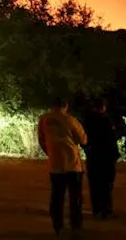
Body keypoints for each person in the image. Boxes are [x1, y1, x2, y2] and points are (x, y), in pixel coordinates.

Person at [38, 97, 88, 236]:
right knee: (75, 197)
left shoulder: (44, 120)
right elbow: (83, 139)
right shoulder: (71, 120)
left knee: (57, 196)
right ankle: (76, 226)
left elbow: (41, 140)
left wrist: (51, 153)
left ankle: (57, 225)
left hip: (55, 164)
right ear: (65, 106)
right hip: (72, 164)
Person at [82, 97, 119, 220]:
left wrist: (87, 150)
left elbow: (83, 139)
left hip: (93, 156)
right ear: (103, 107)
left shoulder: (87, 121)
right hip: (106, 157)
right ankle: (106, 210)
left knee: (94, 184)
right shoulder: (107, 120)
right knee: (106, 184)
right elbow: (112, 139)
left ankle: (96, 209)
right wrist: (115, 155)